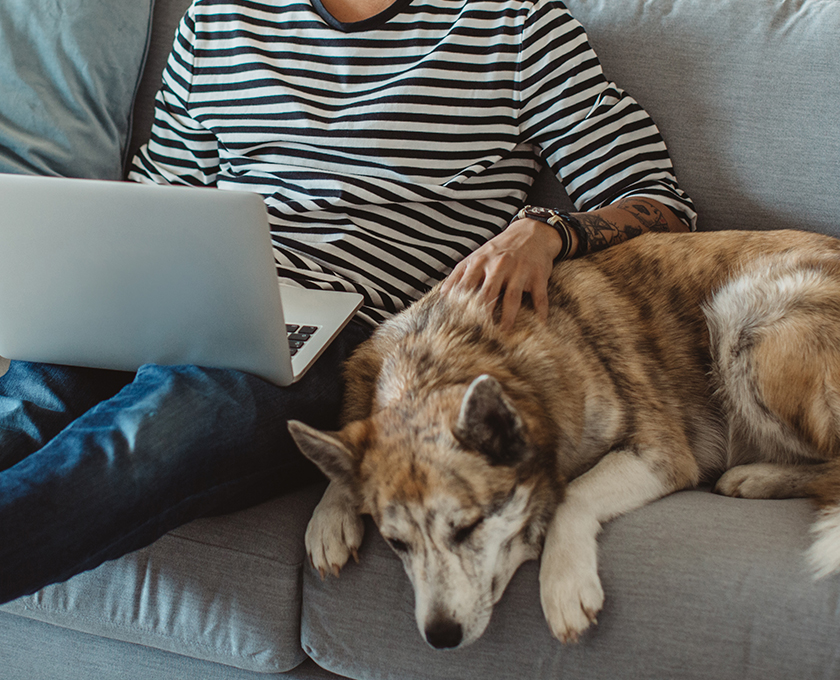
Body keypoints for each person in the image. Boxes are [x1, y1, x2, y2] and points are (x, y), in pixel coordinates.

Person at [0, 0, 695, 604]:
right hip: (179, 296)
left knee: (159, 427)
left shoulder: (514, 26)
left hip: (352, 339)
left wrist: (546, 231)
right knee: (30, 398)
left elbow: (662, 205)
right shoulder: (218, 19)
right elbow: (158, 198)